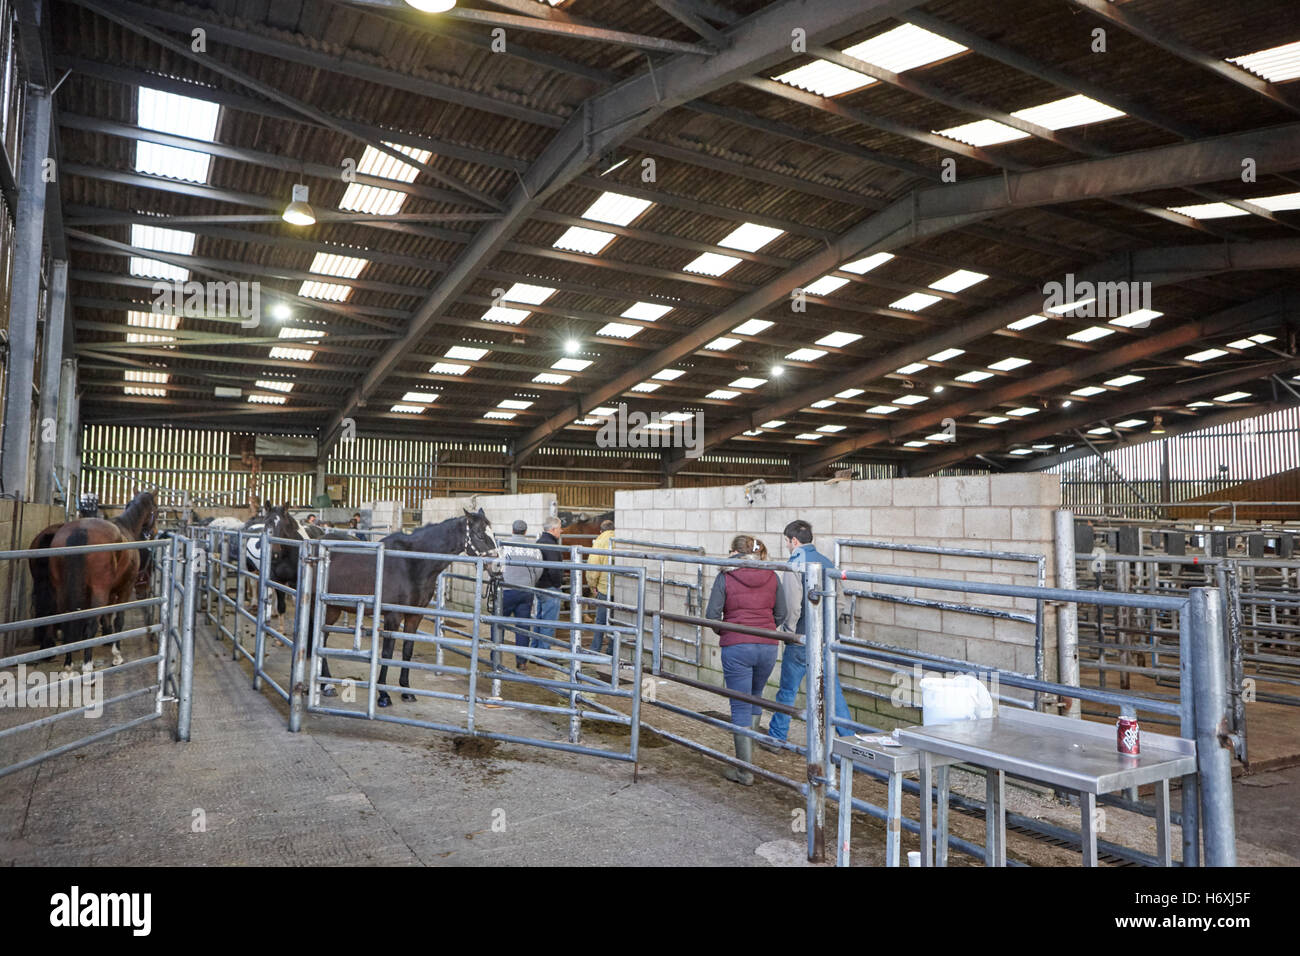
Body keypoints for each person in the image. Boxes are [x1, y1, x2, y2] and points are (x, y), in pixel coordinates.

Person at [762, 519, 854, 750]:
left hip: (803, 637)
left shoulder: (795, 564)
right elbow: (841, 601)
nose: (786, 545)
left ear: (793, 540)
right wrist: (828, 625)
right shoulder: (827, 562)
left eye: (786, 541)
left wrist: (791, 631)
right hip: (826, 637)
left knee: (788, 690)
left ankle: (776, 738)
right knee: (832, 690)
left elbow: (793, 605)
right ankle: (851, 743)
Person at [704, 534, 788, 786]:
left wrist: (728, 632)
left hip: (737, 647)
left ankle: (744, 770)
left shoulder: (726, 576)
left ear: (733, 552)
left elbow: (712, 615)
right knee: (755, 699)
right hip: (767, 646)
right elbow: (781, 613)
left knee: (739, 706)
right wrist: (763, 630)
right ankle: (747, 763)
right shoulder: (772, 575)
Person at [498, 520, 541, 669]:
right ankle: (522, 661)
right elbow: (539, 569)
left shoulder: (503, 547)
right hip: (526, 591)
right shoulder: (533, 548)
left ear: (512, 530)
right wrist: (530, 582)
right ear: (525, 531)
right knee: (523, 626)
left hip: (506, 590)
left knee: (497, 623)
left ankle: (495, 658)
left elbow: (496, 566)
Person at [532, 516, 566, 658]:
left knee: (539, 619)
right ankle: (544, 654)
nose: (561, 531)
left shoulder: (539, 542)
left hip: (539, 585)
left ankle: (535, 650)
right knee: (548, 622)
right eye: (559, 529)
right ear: (552, 529)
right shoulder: (551, 545)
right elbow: (554, 569)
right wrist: (558, 584)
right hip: (550, 587)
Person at [586, 519, 616, 654]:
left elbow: (593, 566)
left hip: (604, 587)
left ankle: (595, 649)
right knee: (615, 622)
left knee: (601, 620)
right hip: (620, 588)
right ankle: (612, 650)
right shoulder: (620, 538)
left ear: (601, 531)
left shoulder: (600, 541)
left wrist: (592, 585)